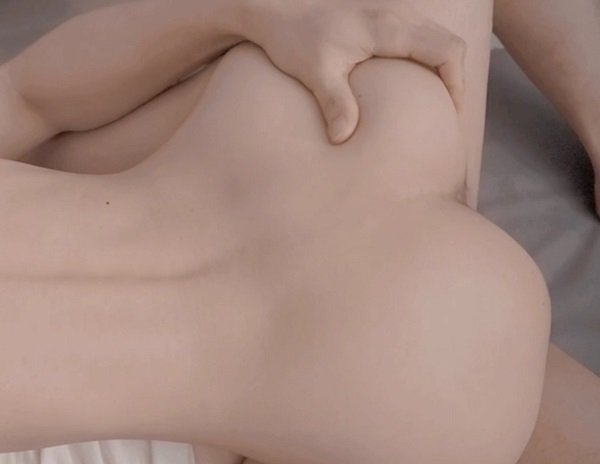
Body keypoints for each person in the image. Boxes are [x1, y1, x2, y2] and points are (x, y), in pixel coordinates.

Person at [0, 0, 597, 463]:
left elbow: (24, 98)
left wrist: (261, 15)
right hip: (327, 141)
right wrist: (257, 14)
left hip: (392, 372)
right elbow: (26, 96)